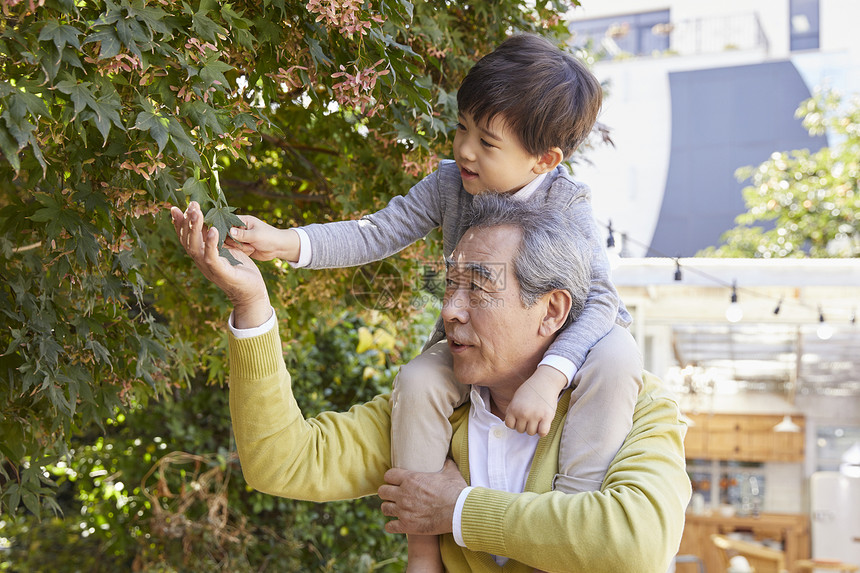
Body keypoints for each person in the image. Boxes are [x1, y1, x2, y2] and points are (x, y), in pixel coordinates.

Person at [226, 34, 642, 570]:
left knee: (617, 356)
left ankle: (565, 520)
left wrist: (551, 375)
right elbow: (377, 231)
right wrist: (284, 243)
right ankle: (421, 554)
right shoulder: (451, 184)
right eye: (462, 127)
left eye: (488, 142)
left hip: (576, 347)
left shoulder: (567, 204)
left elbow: (601, 303)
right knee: (419, 380)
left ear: (544, 160)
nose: (465, 149)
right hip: (484, 348)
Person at [170, 193, 691, 573]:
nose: (449, 311)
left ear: (551, 310)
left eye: (477, 288)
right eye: (448, 286)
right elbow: (283, 464)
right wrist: (252, 304)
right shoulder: (435, 406)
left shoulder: (636, 406)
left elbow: (633, 544)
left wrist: (458, 510)